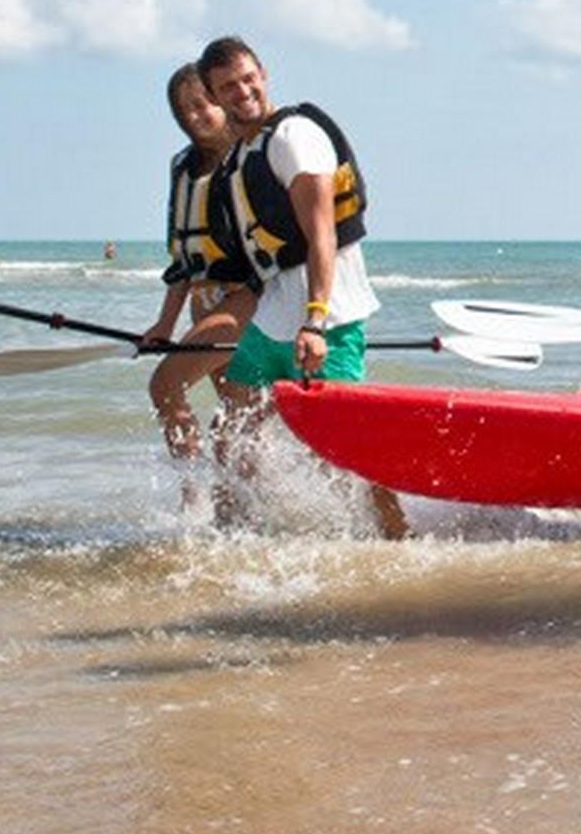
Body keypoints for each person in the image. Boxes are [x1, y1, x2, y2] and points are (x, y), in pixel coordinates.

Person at [197, 35, 410, 541]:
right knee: (231, 435)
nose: (242, 91)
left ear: (263, 74)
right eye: (227, 86)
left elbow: (322, 235)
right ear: (213, 94)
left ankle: (399, 540)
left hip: (325, 318)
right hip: (272, 318)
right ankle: (238, 541)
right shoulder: (240, 155)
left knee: (346, 447)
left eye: (248, 79)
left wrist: (315, 319)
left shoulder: (294, 135)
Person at [139, 63, 256, 462]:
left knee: (165, 386)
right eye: (185, 109)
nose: (197, 115)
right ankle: (232, 519)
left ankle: (191, 497)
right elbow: (183, 260)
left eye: (205, 103)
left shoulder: (247, 159)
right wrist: (165, 325)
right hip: (202, 304)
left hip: (243, 302)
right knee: (234, 425)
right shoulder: (183, 168)